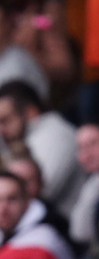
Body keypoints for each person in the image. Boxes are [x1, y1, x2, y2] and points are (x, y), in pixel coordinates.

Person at [0, 79, 82, 217]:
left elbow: (40, 193)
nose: (1, 130)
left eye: (6, 120)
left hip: (60, 228)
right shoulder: (29, 138)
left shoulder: (56, 135)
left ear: (31, 112)